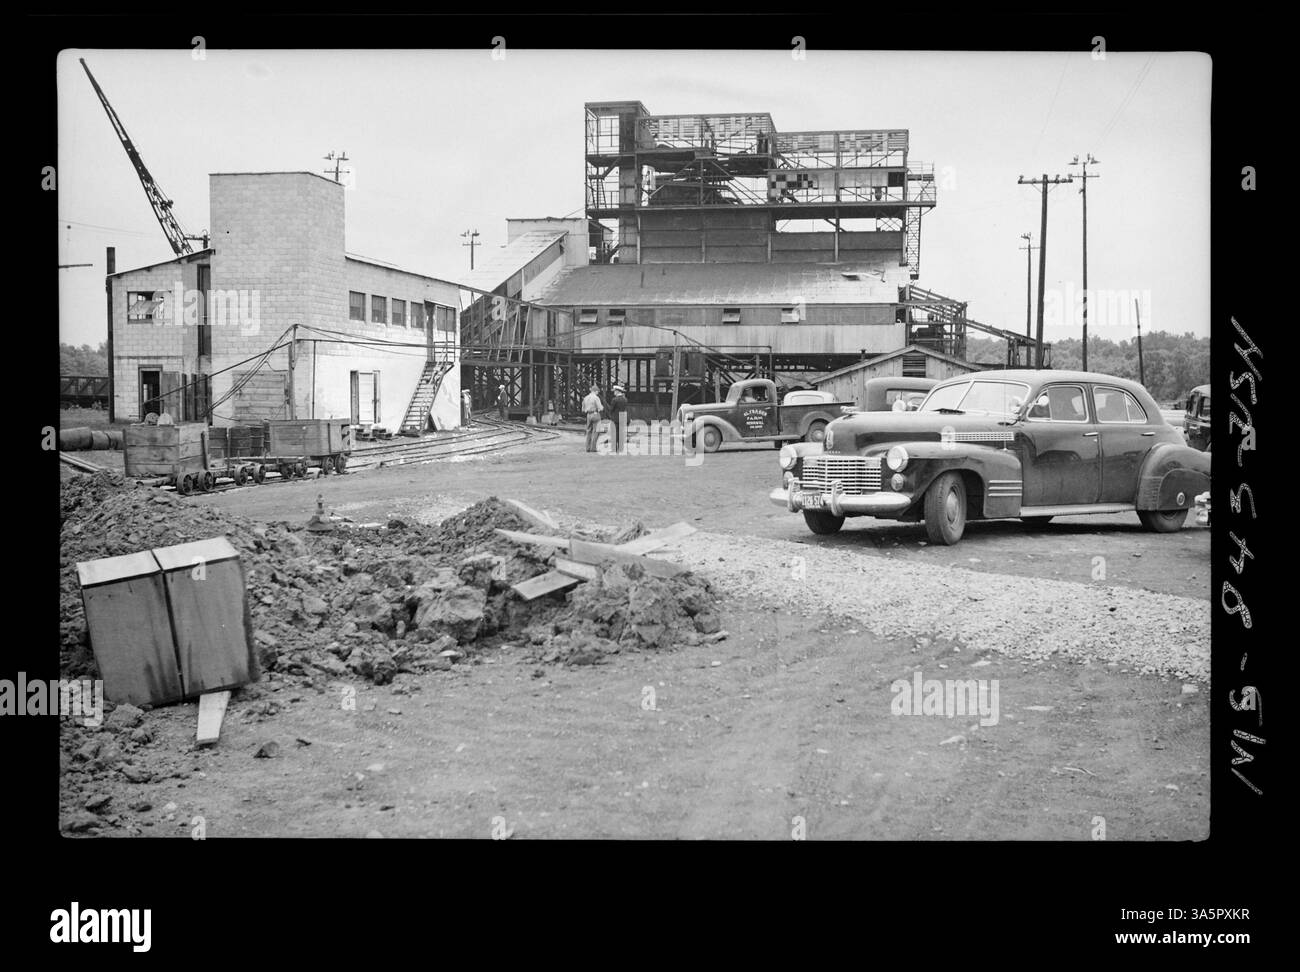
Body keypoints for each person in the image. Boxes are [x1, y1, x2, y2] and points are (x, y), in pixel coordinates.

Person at [581, 384, 603, 453]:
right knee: (596, 431)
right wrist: (601, 408)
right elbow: (600, 408)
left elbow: (583, 409)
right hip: (595, 414)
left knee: (588, 431)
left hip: (588, 415)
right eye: (597, 392)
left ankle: (587, 448)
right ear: (595, 391)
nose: (598, 393)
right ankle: (593, 448)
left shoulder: (585, 398)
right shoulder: (596, 398)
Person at [608, 384, 628, 454]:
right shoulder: (625, 399)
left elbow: (611, 409)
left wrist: (610, 415)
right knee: (621, 433)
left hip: (615, 418)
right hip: (622, 418)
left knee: (614, 434)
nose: (614, 392)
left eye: (615, 391)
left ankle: (614, 449)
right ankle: (620, 448)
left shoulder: (614, 400)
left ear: (617, 391)